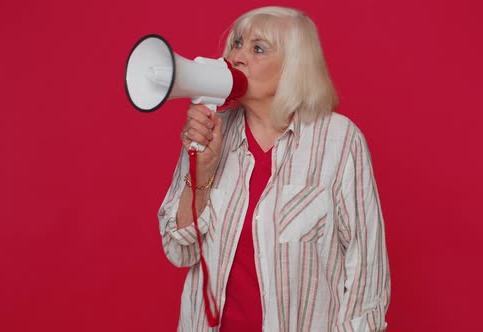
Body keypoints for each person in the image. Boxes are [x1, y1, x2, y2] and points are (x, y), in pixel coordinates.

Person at [158, 6, 390, 331]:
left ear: (294, 67)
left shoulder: (339, 140)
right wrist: (201, 172)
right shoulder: (209, 133)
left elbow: (366, 269)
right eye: (237, 44)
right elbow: (180, 253)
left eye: (258, 48)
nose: (237, 56)